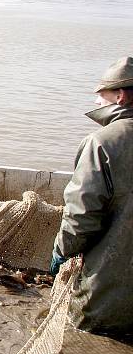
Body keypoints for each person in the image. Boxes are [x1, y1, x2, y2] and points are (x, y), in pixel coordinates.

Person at [50, 56, 133, 338]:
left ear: (119, 96)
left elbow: (82, 216)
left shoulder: (102, 143)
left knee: (81, 348)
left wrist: (62, 250)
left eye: (101, 95)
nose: (97, 102)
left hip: (109, 299)